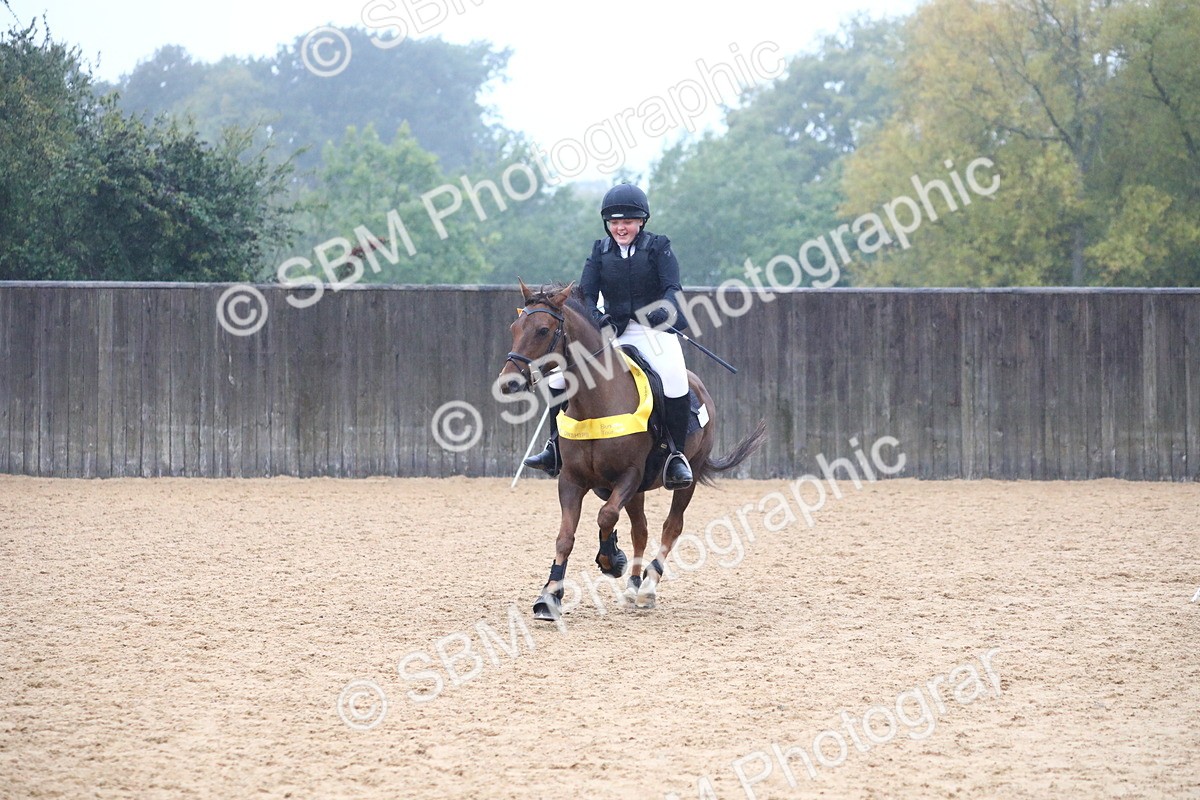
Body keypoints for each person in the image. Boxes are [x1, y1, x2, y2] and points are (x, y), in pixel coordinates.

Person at [523, 183, 694, 490]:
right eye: (614, 222)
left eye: (627, 221)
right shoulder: (599, 251)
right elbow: (587, 293)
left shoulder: (659, 247)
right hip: (611, 330)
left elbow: (672, 288)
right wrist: (597, 316)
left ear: (641, 221)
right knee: (559, 379)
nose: (620, 227)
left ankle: (676, 455)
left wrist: (664, 309)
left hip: (651, 330)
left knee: (674, 380)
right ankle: (554, 448)